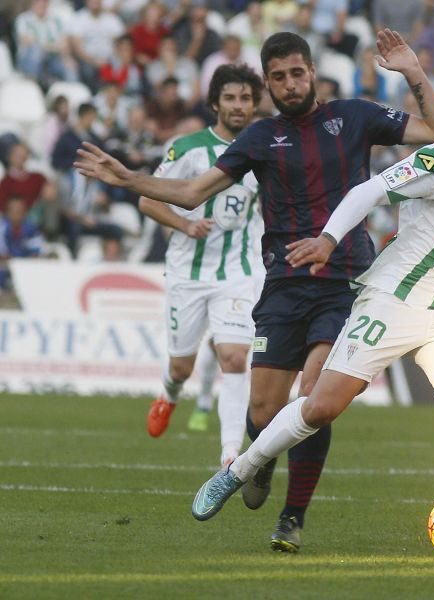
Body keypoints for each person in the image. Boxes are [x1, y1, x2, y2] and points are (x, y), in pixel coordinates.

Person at [74, 30, 434, 553]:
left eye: (297, 72)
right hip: (282, 288)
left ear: (312, 70)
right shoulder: (259, 138)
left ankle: (292, 517)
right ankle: (264, 454)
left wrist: (413, 72)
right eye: (278, 77)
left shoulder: (356, 115)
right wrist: (128, 179)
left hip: (346, 281)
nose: (290, 83)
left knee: (316, 398)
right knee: (262, 413)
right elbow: (190, 192)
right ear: (269, 82)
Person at [187, 103, 434, 562]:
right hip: (392, 301)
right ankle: (240, 470)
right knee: (321, 408)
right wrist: (328, 239)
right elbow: (369, 192)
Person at [138, 63, 264, 467]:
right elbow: (147, 199)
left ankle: (230, 452)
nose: (238, 105)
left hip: (239, 273)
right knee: (180, 365)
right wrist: (184, 223)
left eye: (246, 98)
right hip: (187, 274)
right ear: (215, 103)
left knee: (233, 357)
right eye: (230, 97)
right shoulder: (188, 148)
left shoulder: (265, 151)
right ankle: (169, 394)